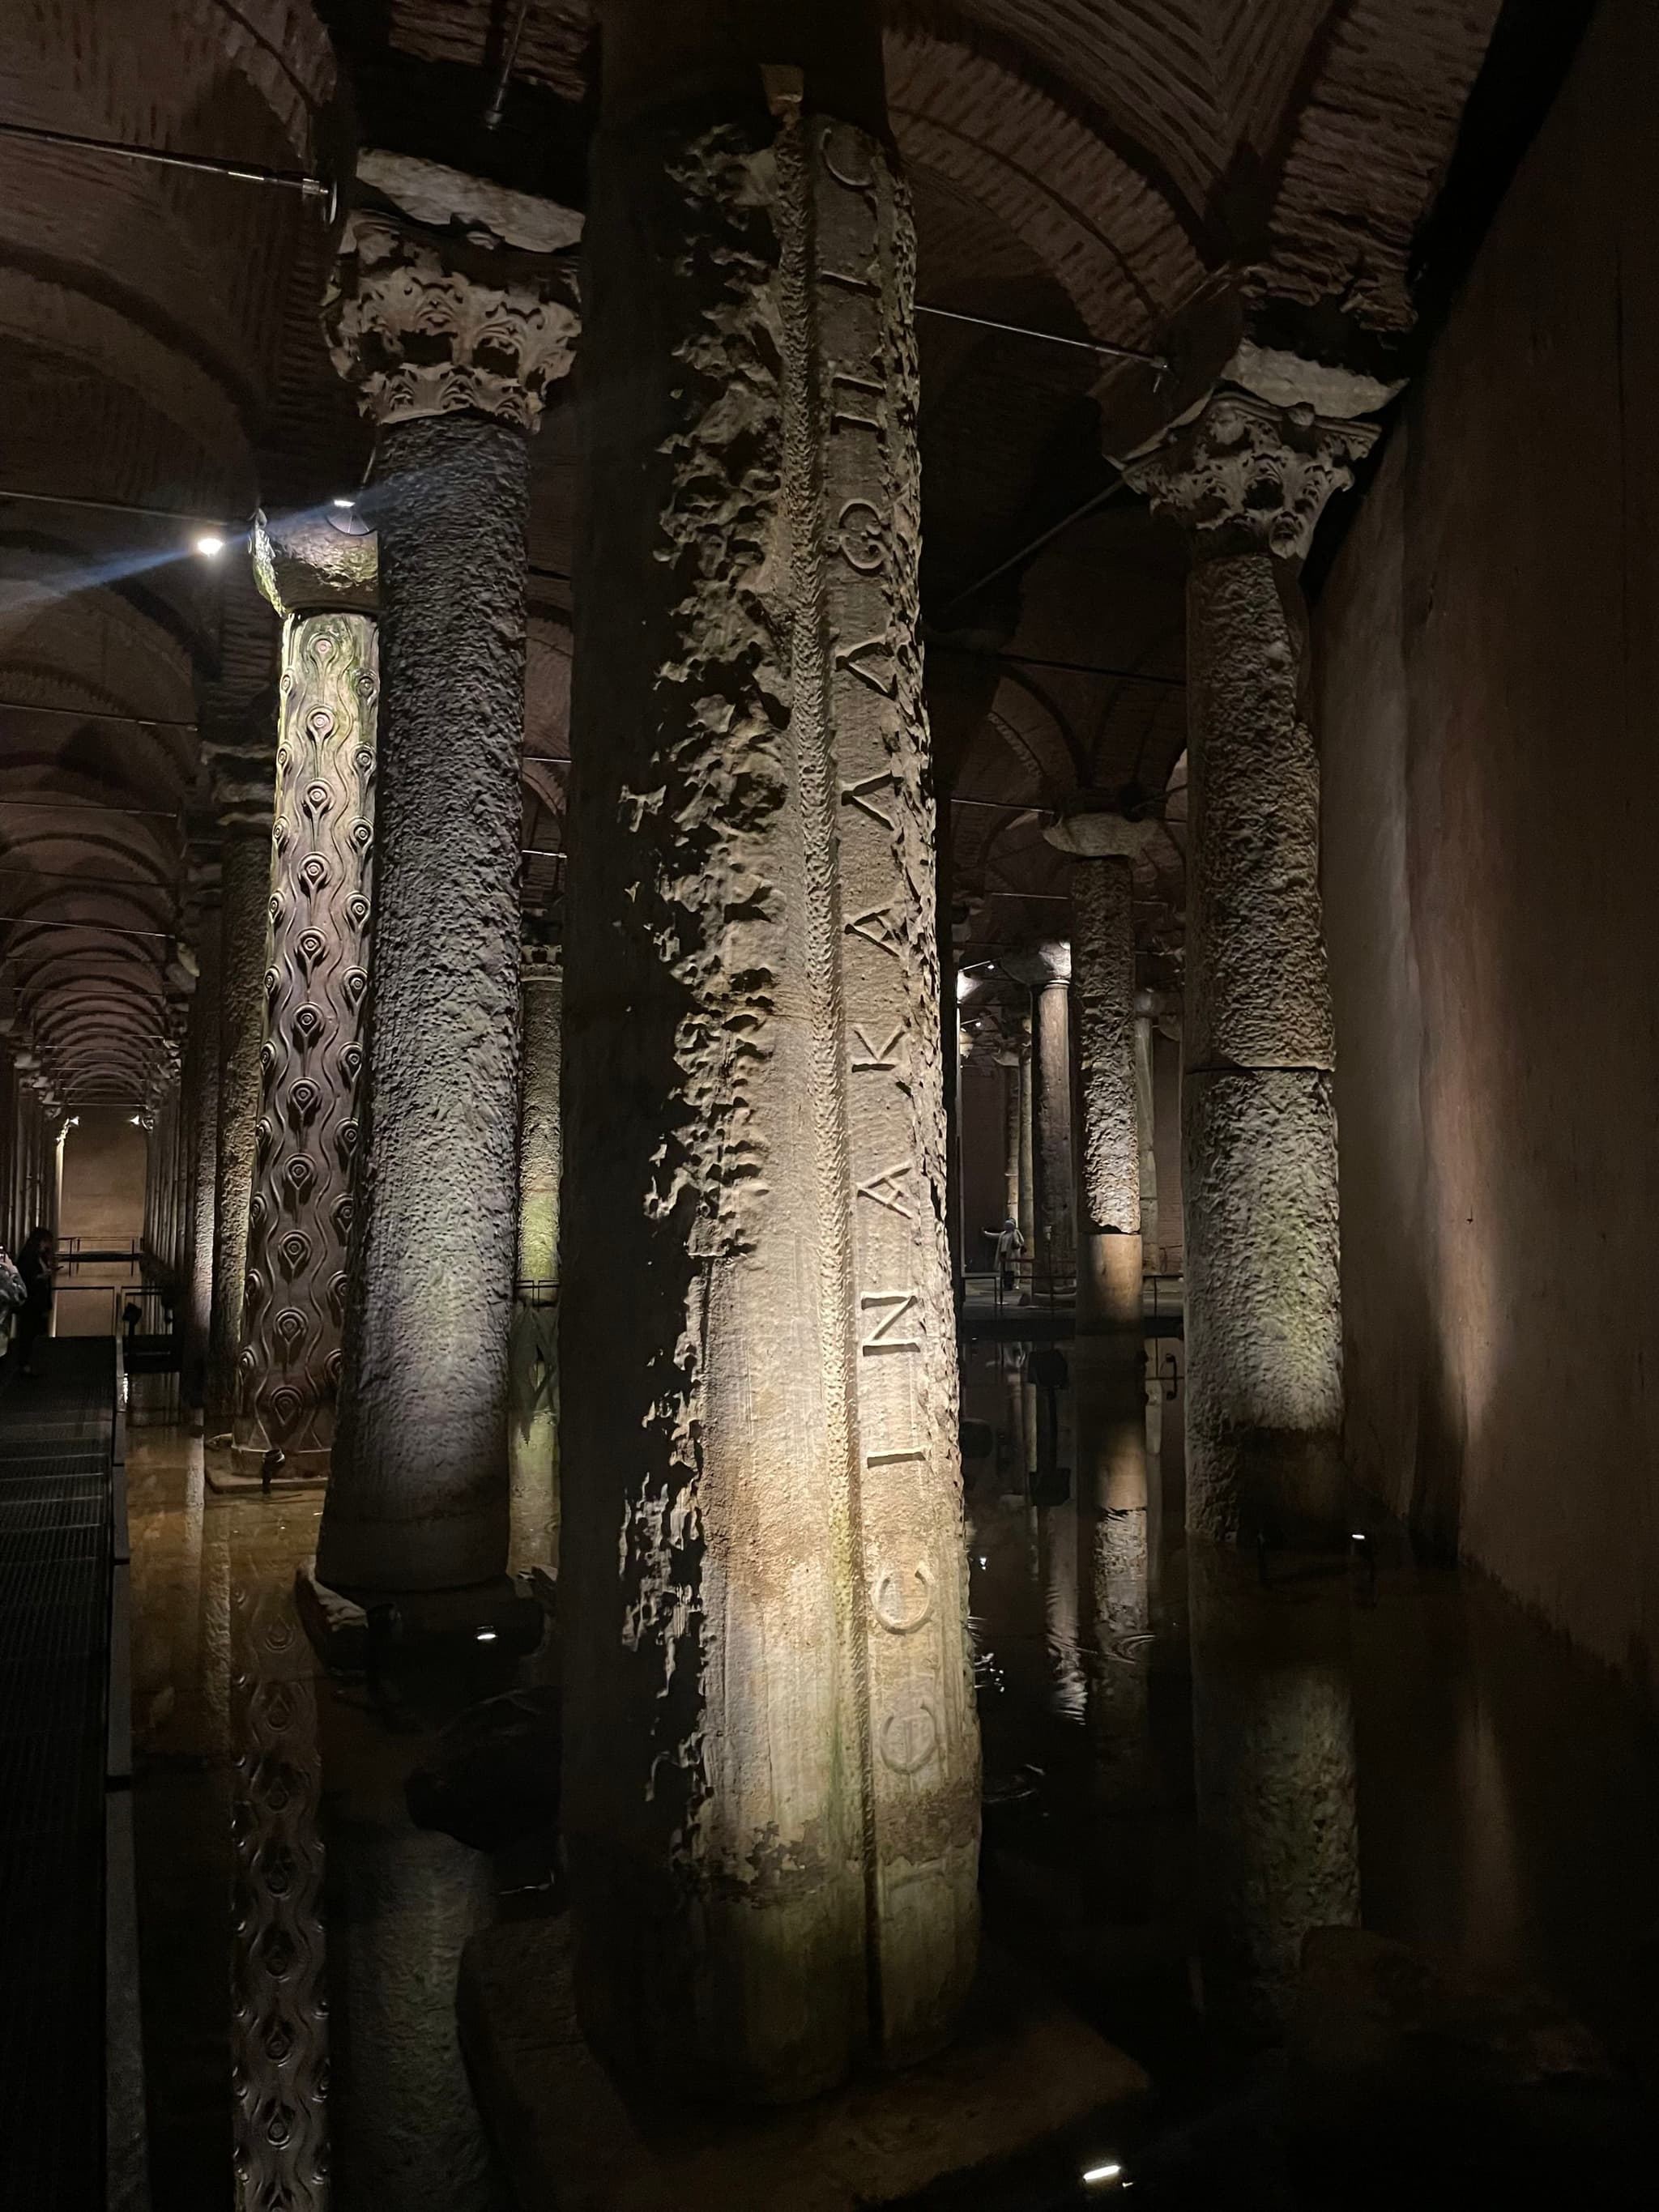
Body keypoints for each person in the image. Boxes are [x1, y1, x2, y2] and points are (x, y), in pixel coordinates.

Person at [13, 1225, 56, 1379]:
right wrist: (40, 1277)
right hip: (31, 1300)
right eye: (47, 1242)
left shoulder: (40, 1256)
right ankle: (24, 1364)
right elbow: (25, 1276)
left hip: (38, 1299)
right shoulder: (28, 1257)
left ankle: (29, 1363)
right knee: (28, 1332)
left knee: (33, 1332)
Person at [983, 1214, 1024, 1294]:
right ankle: (1005, 1284)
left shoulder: (1014, 1233)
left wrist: (1017, 1243)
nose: (1005, 1227)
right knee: (1004, 1270)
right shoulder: (1003, 1234)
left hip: (1011, 1255)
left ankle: (1011, 1285)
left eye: (1007, 1226)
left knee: (1011, 1271)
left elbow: (1021, 1242)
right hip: (1003, 1253)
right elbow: (995, 1236)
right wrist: (986, 1234)